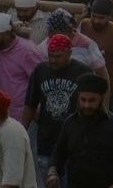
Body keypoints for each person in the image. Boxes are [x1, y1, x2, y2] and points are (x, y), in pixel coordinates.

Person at [23, 34, 94, 185]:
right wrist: (22, 131)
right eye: (50, 56)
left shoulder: (83, 72)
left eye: (58, 56)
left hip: (74, 144)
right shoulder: (40, 71)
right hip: (46, 142)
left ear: (69, 52)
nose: (53, 60)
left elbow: (92, 107)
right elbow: (30, 104)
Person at [46, 73, 113, 188]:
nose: (86, 105)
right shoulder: (70, 123)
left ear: (102, 98)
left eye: (92, 100)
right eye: (83, 100)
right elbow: (59, 153)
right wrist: (53, 173)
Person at [0, 13, 47, 120]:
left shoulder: (28, 50)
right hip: (0, 114)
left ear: (8, 34)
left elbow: (43, 81)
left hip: (25, 116)